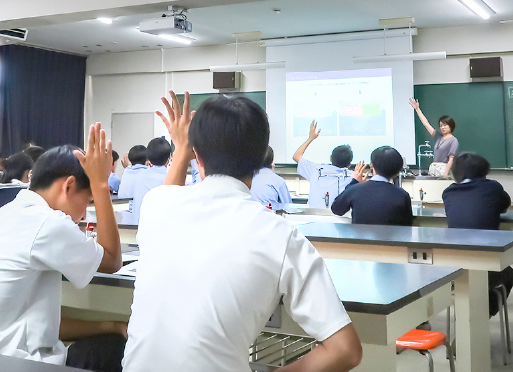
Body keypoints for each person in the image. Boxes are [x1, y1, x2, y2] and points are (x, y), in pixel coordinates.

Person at [121, 91, 362, 372]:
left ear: (196, 155)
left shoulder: (156, 205)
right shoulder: (279, 234)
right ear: (263, 158)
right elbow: (345, 351)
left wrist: (185, 146)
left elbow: (169, 191)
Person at [0, 124, 126, 371]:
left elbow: (39, 323)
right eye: (87, 201)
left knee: (107, 338)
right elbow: (112, 261)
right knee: (118, 349)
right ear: (68, 186)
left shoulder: (7, 214)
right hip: (8, 363)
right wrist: (100, 185)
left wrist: (111, 325)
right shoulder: (48, 223)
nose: (82, 215)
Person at [443, 152, 513, 317]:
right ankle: (485, 313)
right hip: (486, 263)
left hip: (452, 265)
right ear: (484, 170)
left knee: (471, 274)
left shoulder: (448, 192)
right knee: (508, 273)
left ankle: (475, 313)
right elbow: (504, 205)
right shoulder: (492, 187)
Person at [331, 147, 413, 225]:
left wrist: (354, 182)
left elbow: (337, 209)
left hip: (360, 239)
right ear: (398, 170)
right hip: (390, 239)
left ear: (371, 165)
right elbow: (407, 226)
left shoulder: (355, 189)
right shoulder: (402, 195)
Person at [292, 121, 353, 209]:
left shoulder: (316, 170)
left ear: (330, 158)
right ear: (349, 164)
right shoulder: (354, 177)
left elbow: (296, 156)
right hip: (341, 219)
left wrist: (311, 138)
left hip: (314, 218)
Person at [409, 98, 458, 176]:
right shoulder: (438, 136)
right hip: (433, 168)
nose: (443, 127)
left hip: (443, 169)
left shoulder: (453, 140)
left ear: (451, 126)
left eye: (445, 125)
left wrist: (445, 174)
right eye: (441, 125)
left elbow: (451, 159)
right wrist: (417, 109)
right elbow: (426, 123)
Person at [129, 137, 170, 225]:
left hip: (139, 225)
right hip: (160, 226)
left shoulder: (140, 176)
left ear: (148, 157)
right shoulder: (170, 177)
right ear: (169, 157)